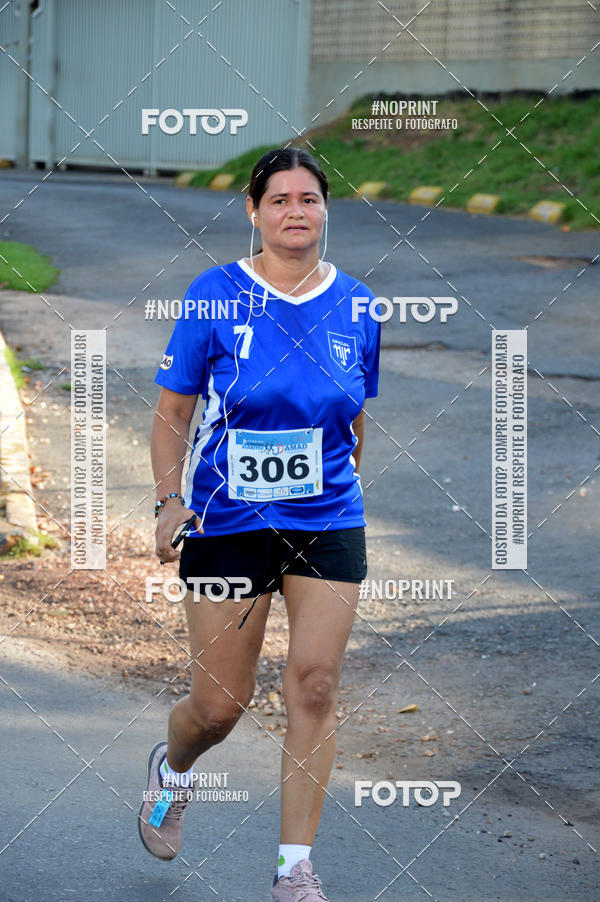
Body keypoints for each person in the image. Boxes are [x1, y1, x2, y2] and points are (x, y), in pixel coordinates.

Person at [139, 147, 381, 901]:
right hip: (227, 519)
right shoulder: (213, 295)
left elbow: (354, 418)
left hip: (326, 516)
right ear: (253, 210)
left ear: (325, 210)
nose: (295, 212)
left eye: (309, 199)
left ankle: (293, 869)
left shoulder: (359, 305)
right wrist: (167, 500)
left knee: (313, 685)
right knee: (219, 708)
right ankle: (171, 771)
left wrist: (341, 494)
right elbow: (174, 412)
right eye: (279, 200)